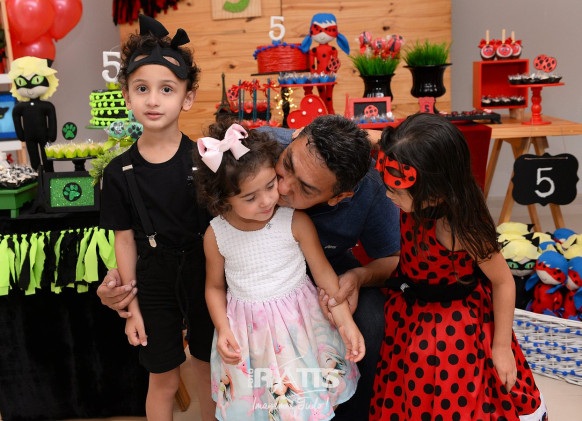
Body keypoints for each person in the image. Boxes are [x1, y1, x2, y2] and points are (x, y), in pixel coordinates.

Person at [98, 114, 401, 420]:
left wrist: (356, 283)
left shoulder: (363, 194)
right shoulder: (249, 151)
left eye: (305, 189)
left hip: (311, 289)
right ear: (294, 136)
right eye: (286, 167)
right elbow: (179, 238)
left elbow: (383, 260)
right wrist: (124, 276)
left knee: (358, 335)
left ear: (339, 196)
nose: (279, 190)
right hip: (248, 301)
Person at [370, 113, 547, 420]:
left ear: (435, 193)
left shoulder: (460, 228)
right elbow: (373, 138)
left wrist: (501, 347)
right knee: (405, 384)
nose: (388, 195)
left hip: (451, 323)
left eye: (396, 191)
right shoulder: (406, 169)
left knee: (442, 389)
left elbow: (503, 282)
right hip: (410, 307)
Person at [195, 119, 364, 420]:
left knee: (312, 398)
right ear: (222, 200)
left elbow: (324, 276)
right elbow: (215, 286)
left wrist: (345, 321)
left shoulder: (294, 221)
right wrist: (223, 328)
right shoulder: (216, 235)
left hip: (301, 328)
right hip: (250, 336)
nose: (268, 200)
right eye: (250, 197)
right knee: (263, 405)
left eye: (271, 185)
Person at [98, 15, 215, 421]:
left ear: (187, 97)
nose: (153, 100)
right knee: (163, 378)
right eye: (141, 88)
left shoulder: (206, 159)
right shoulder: (118, 173)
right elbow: (124, 240)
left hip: (205, 274)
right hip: (152, 280)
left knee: (208, 372)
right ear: (127, 96)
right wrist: (131, 308)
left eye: (166, 89)